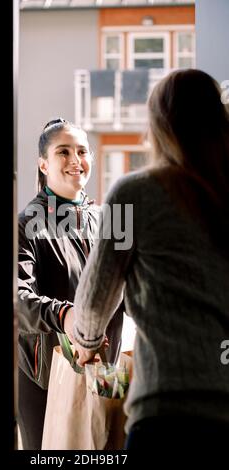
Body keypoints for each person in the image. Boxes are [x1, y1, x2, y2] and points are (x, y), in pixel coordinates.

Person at [68, 69, 229, 457]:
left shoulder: (132, 195)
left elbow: (97, 295)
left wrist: (86, 342)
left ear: (158, 128)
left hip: (166, 415)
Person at [17, 118, 123, 450]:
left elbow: (132, 290)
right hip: (47, 378)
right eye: (63, 152)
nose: (76, 161)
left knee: (108, 452)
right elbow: (18, 299)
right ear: (43, 163)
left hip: (107, 371)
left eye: (82, 151)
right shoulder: (26, 224)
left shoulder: (111, 219)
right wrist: (66, 316)